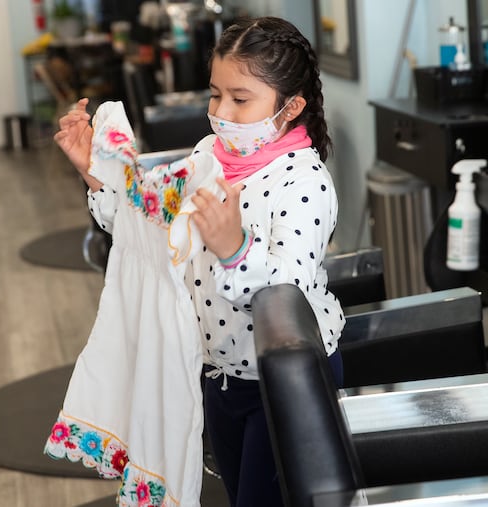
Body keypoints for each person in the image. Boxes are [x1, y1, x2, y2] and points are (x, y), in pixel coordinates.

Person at [51, 15, 345, 507]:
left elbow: (288, 296)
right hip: (217, 377)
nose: (222, 111)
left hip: (287, 382)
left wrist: (235, 248)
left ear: (290, 107)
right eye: (216, 94)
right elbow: (150, 229)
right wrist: (95, 175)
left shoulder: (304, 183)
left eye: (241, 99)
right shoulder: (210, 153)